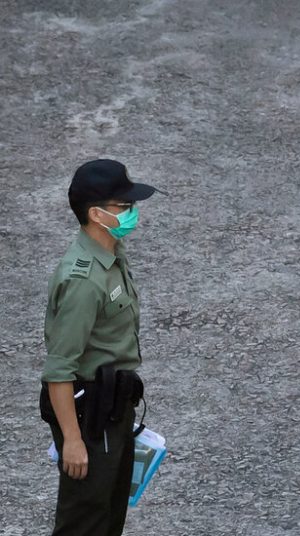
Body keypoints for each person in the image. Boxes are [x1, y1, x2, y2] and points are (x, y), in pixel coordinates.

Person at [39, 159, 158, 535]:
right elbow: (59, 369)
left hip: (112, 407)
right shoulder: (84, 280)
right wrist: (73, 441)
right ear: (96, 214)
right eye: (123, 207)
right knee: (85, 521)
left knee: (107, 517)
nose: (132, 212)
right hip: (89, 414)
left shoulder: (110, 255)